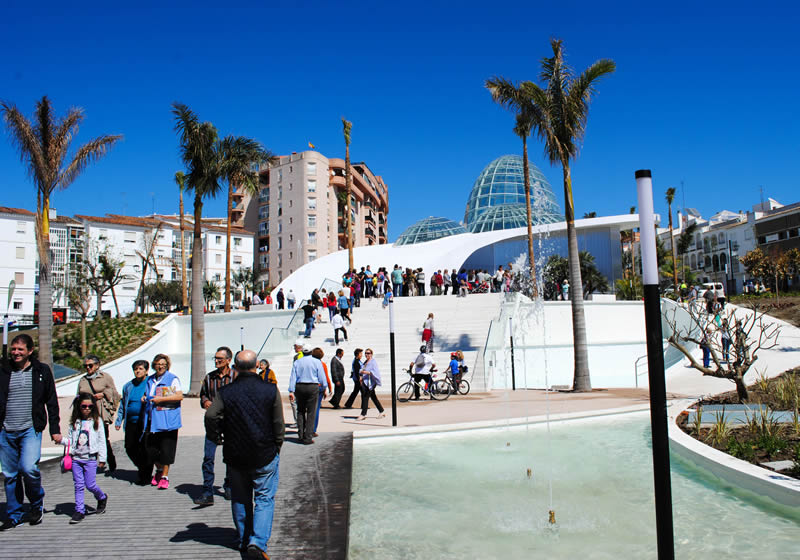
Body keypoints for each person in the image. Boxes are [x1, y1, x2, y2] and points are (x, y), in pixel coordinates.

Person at [205, 349, 284, 559]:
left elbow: (211, 415)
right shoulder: (270, 389)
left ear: (236, 367)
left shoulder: (226, 391)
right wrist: (278, 445)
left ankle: (243, 538)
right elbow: (278, 422)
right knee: (265, 498)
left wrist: (217, 437)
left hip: (235, 453)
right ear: (257, 364)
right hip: (264, 452)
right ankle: (257, 543)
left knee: (240, 498)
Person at [0, 334, 61, 530]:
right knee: (10, 474)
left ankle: (36, 504)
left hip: (30, 429)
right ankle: (14, 514)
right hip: (5, 429)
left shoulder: (41, 371)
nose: (16, 352)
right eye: (13, 349)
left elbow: (51, 401)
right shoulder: (3, 369)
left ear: (30, 351)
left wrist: (55, 429)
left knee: (28, 468)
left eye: (20, 349)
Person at [194, 347, 237, 505]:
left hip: (231, 423)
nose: (217, 361)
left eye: (220, 358)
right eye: (216, 358)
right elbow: (203, 394)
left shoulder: (236, 377)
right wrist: (205, 401)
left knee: (231, 457)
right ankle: (207, 491)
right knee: (208, 457)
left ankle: (229, 485)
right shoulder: (209, 378)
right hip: (213, 423)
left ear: (228, 360)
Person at [62, 394, 108, 524]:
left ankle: (102, 497)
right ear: (79, 406)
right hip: (76, 459)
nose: (87, 409)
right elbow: (70, 441)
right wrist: (62, 442)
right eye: (84, 406)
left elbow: (101, 441)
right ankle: (79, 510)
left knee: (90, 484)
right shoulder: (74, 423)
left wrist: (102, 458)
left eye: (90, 406)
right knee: (79, 485)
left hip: (90, 458)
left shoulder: (97, 421)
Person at [142, 353, 183, 490]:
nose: (160, 367)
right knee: (150, 449)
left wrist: (161, 400)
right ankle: (159, 470)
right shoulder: (150, 380)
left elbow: (179, 396)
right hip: (152, 420)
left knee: (166, 450)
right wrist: (144, 398)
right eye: (158, 364)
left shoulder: (172, 379)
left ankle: (164, 476)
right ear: (154, 365)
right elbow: (148, 394)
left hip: (167, 421)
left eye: (163, 365)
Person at [77, 354, 120, 473]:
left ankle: (109, 460)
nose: (88, 368)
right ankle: (91, 464)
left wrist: (104, 394)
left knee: (103, 438)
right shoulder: (83, 380)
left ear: (97, 365)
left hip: (100, 412)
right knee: (88, 438)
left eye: (90, 365)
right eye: (85, 366)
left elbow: (115, 394)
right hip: (86, 413)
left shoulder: (105, 377)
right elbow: (78, 396)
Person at [115, 360, 152, 486]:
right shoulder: (128, 386)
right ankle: (143, 467)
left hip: (145, 421)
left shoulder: (150, 383)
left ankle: (145, 474)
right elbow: (123, 404)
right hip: (130, 422)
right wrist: (119, 420)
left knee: (143, 448)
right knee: (130, 447)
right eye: (136, 369)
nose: (138, 371)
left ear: (146, 371)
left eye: (140, 368)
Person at [288, 349, 329, 444]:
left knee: (300, 411)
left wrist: (291, 390)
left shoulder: (297, 362)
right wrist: (324, 386)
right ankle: (308, 437)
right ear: (311, 352)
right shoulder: (316, 361)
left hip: (299, 386)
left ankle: (301, 434)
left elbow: (293, 376)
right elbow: (322, 377)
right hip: (312, 386)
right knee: (311, 412)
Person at [357, 349, 386, 421]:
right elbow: (361, 370)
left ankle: (363, 414)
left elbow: (375, 372)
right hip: (365, 382)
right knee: (373, 397)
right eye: (366, 353)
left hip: (371, 383)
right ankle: (381, 411)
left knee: (365, 397)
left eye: (368, 353)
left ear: (371, 354)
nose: (367, 354)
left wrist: (365, 372)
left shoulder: (373, 362)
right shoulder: (365, 362)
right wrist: (361, 376)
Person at [311, 348, 332, 436]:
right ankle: (313, 429)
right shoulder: (322, 364)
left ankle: (305, 428)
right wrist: (329, 387)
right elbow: (325, 377)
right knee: (316, 409)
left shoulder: (309, 363)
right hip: (318, 387)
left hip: (308, 386)